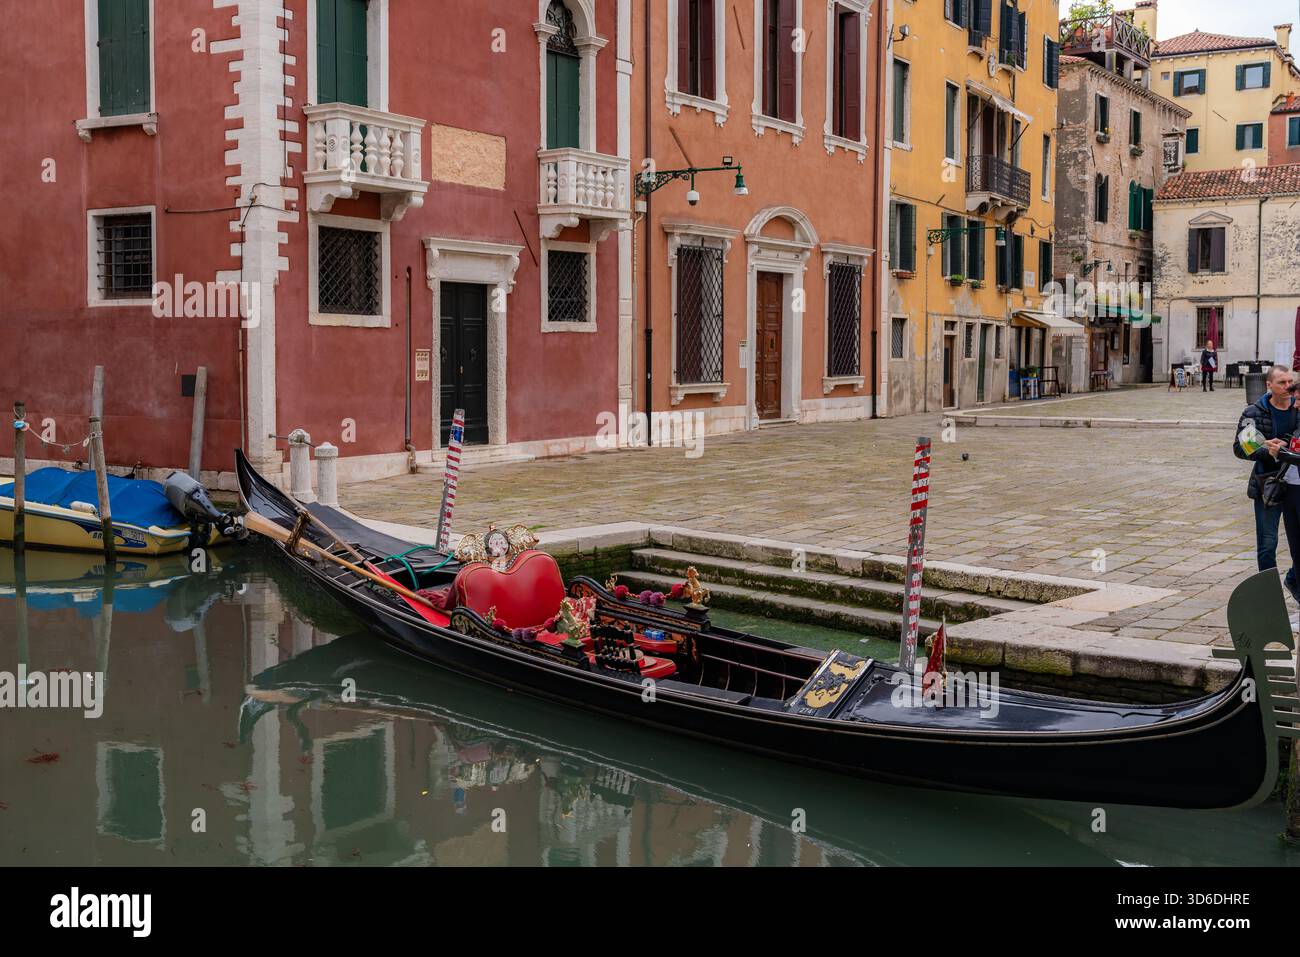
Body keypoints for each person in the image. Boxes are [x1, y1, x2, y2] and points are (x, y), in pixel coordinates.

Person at [1233, 365, 1300, 607]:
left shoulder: (1298, 409)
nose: (1288, 387)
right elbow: (1240, 448)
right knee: (1267, 543)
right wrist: (1267, 450)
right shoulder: (1254, 411)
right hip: (1268, 485)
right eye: (1282, 382)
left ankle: (1293, 579)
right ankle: (1269, 598)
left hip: (1296, 485)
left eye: (1290, 382)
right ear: (1268, 385)